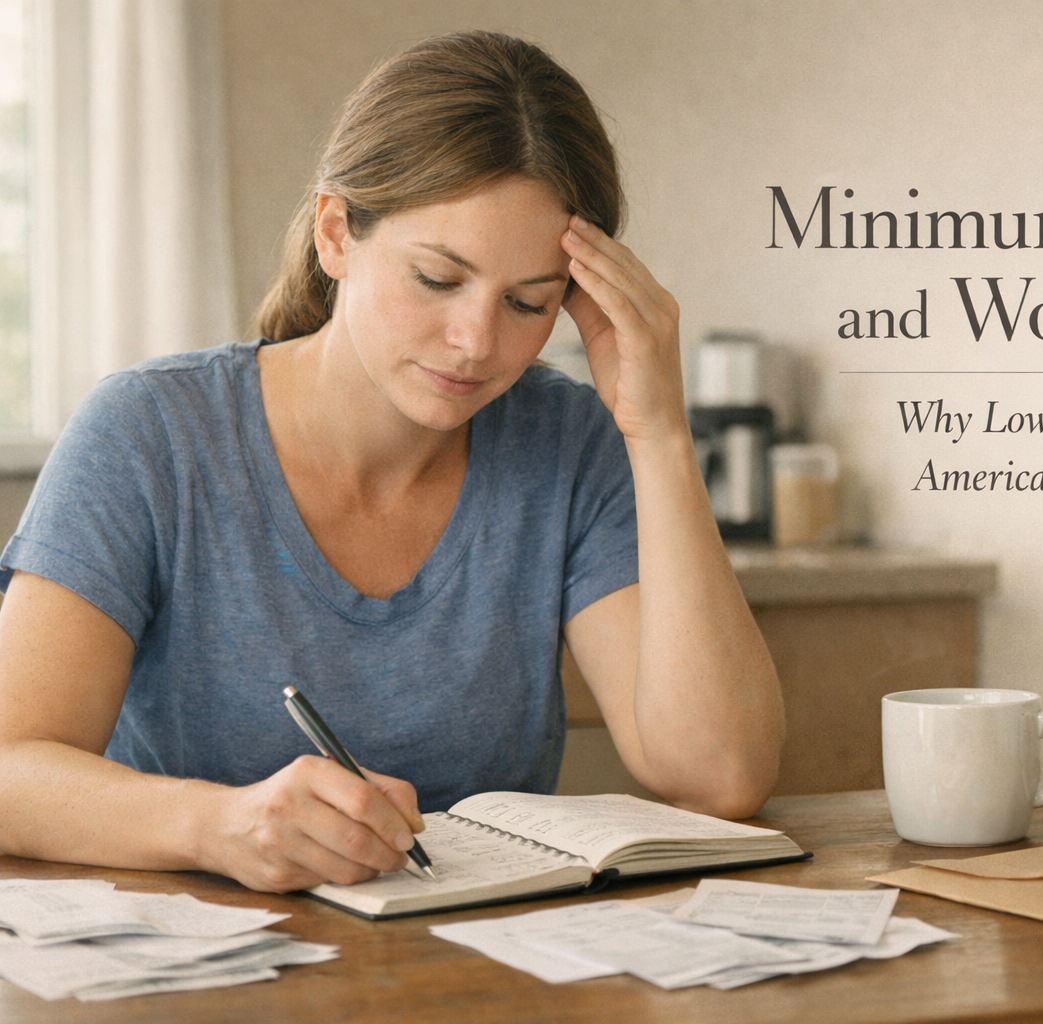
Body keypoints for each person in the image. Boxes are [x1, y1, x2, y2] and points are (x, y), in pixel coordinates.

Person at [0, 31, 783, 893]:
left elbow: (720, 774)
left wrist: (659, 433)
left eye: (529, 303)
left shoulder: (567, 443)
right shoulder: (149, 433)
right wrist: (217, 824)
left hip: (481, 972)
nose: (477, 343)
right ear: (337, 235)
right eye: (438, 280)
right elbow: (10, 769)